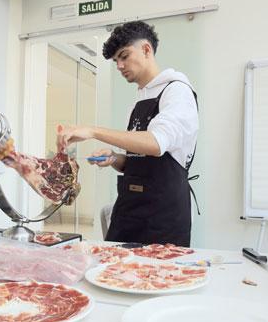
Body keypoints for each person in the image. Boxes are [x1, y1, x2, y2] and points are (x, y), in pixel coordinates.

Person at [56, 20, 199, 245]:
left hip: (163, 216)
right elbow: (133, 161)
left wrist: (93, 131)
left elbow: (155, 143)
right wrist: (113, 158)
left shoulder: (177, 91)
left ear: (146, 50)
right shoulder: (136, 104)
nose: (119, 66)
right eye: (116, 61)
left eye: (124, 56)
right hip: (129, 211)